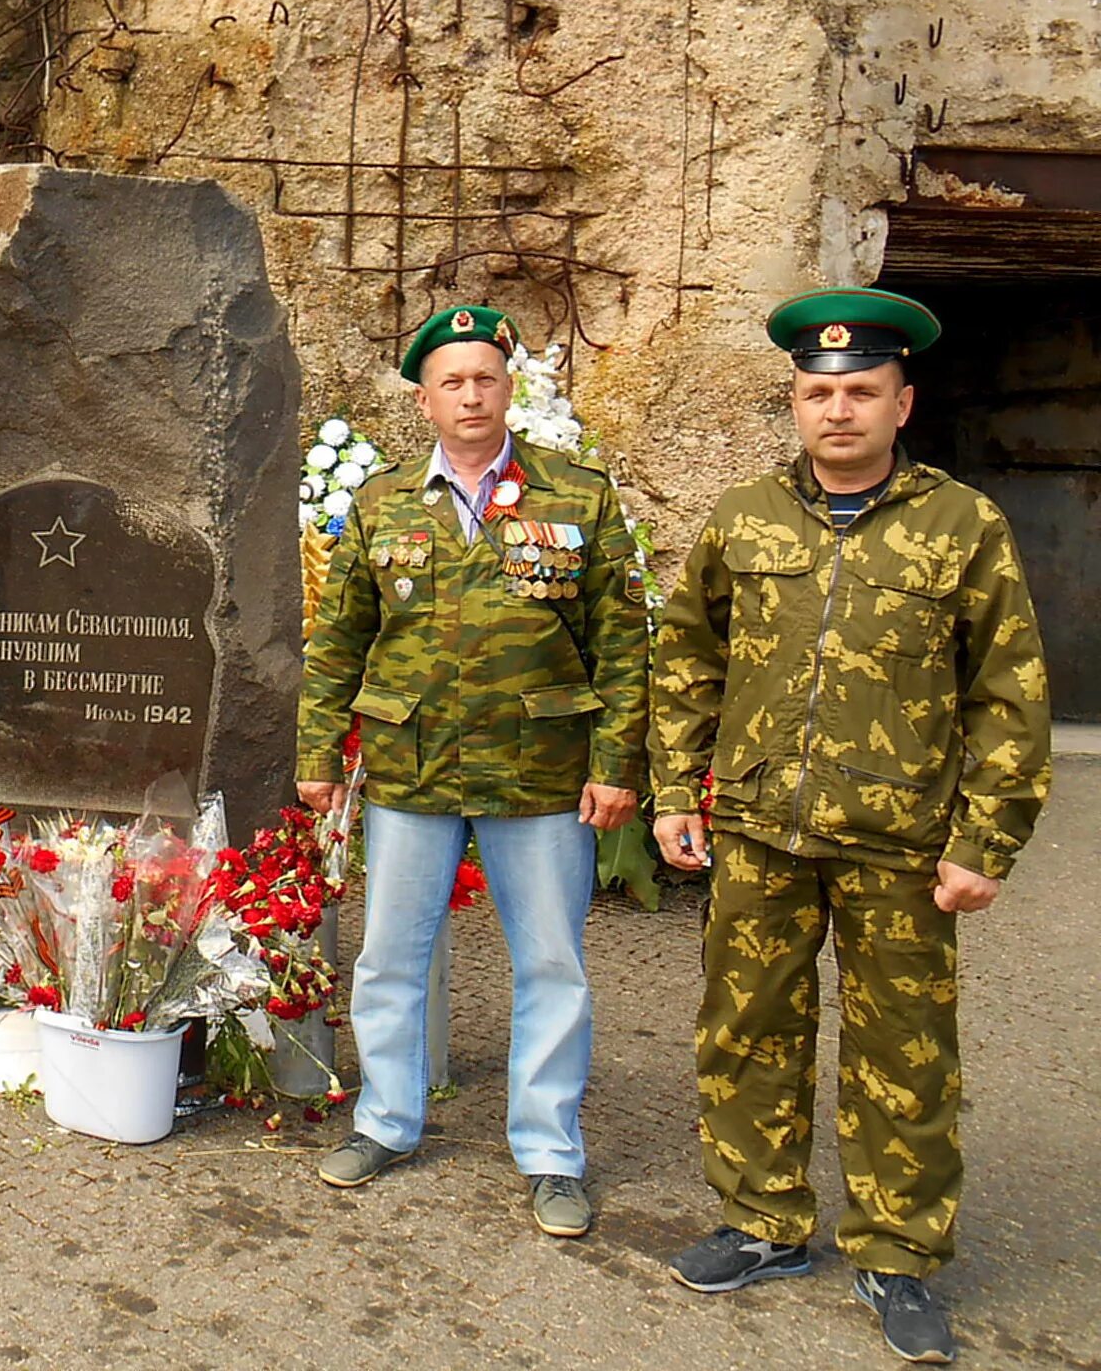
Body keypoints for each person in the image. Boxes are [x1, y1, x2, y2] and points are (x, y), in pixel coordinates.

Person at [647, 287, 1052, 1365]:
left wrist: (985, 841)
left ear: (900, 400)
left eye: (860, 391)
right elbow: (687, 655)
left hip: (900, 844)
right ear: (793, 402)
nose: (838, 410)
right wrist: (677, 791)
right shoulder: (743, 518)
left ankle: (899, 1254)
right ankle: (760, 1221)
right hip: (759, 832)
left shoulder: (962, 526)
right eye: (818, 392)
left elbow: (1007, 692)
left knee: (905, 1054)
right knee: (744, 1030)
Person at [297, 304, 649, 1238]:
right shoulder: (381, 503)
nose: (470, 394)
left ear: (510, 388)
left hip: (541, 769)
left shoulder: (578, 496)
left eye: (485, 377)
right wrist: (317, 755)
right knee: (388, 961)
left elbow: (623, 642)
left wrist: (618, 765)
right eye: (451, 380)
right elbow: (339, 642)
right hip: (413, 764)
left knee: (552, 964)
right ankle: (386, 1121)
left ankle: (549, 1151)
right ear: (424, 398)